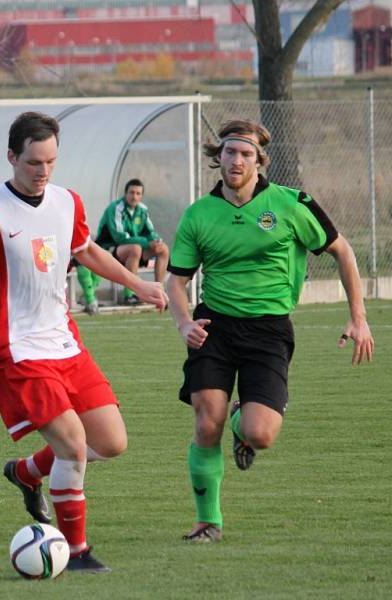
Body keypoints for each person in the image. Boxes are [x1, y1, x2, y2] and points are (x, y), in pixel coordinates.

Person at [0, 112, 168, 573]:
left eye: (52, 162)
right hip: (17, 353)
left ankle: (26, 472)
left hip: (66, 346)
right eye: (34, 162)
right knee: (74, 446)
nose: (43, 172)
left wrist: (137, 284)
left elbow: (87, 251)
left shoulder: (67, 202)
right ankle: (75, 552)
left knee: (112, 442)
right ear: (12, 157)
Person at [166, 119, 375, 543]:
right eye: (229, 152)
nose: (236, 160)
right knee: (208, 424)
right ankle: (208, 522)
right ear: (218, 157)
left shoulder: (291, 204)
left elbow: (342, 250)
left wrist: (358, 316)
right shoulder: (198, 214)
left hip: (269, 330)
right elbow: (176, 281)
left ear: (260, 161)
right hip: (215, 326)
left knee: (260, 434)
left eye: (246, 154)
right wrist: (184, 322)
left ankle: (247, 418)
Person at [76, 178, 169, 314]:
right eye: (132, 192)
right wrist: (146, 242)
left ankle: (159, 292)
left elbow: (150, 232)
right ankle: (130, 294)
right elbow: (119, 237)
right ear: (125, 193)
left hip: (131, 249)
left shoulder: (142, 210)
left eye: (138, 193)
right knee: (135, 248)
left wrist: (156, 241)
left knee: (163, 249)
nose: (134, 196)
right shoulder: (116, 208)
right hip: (109, 248)